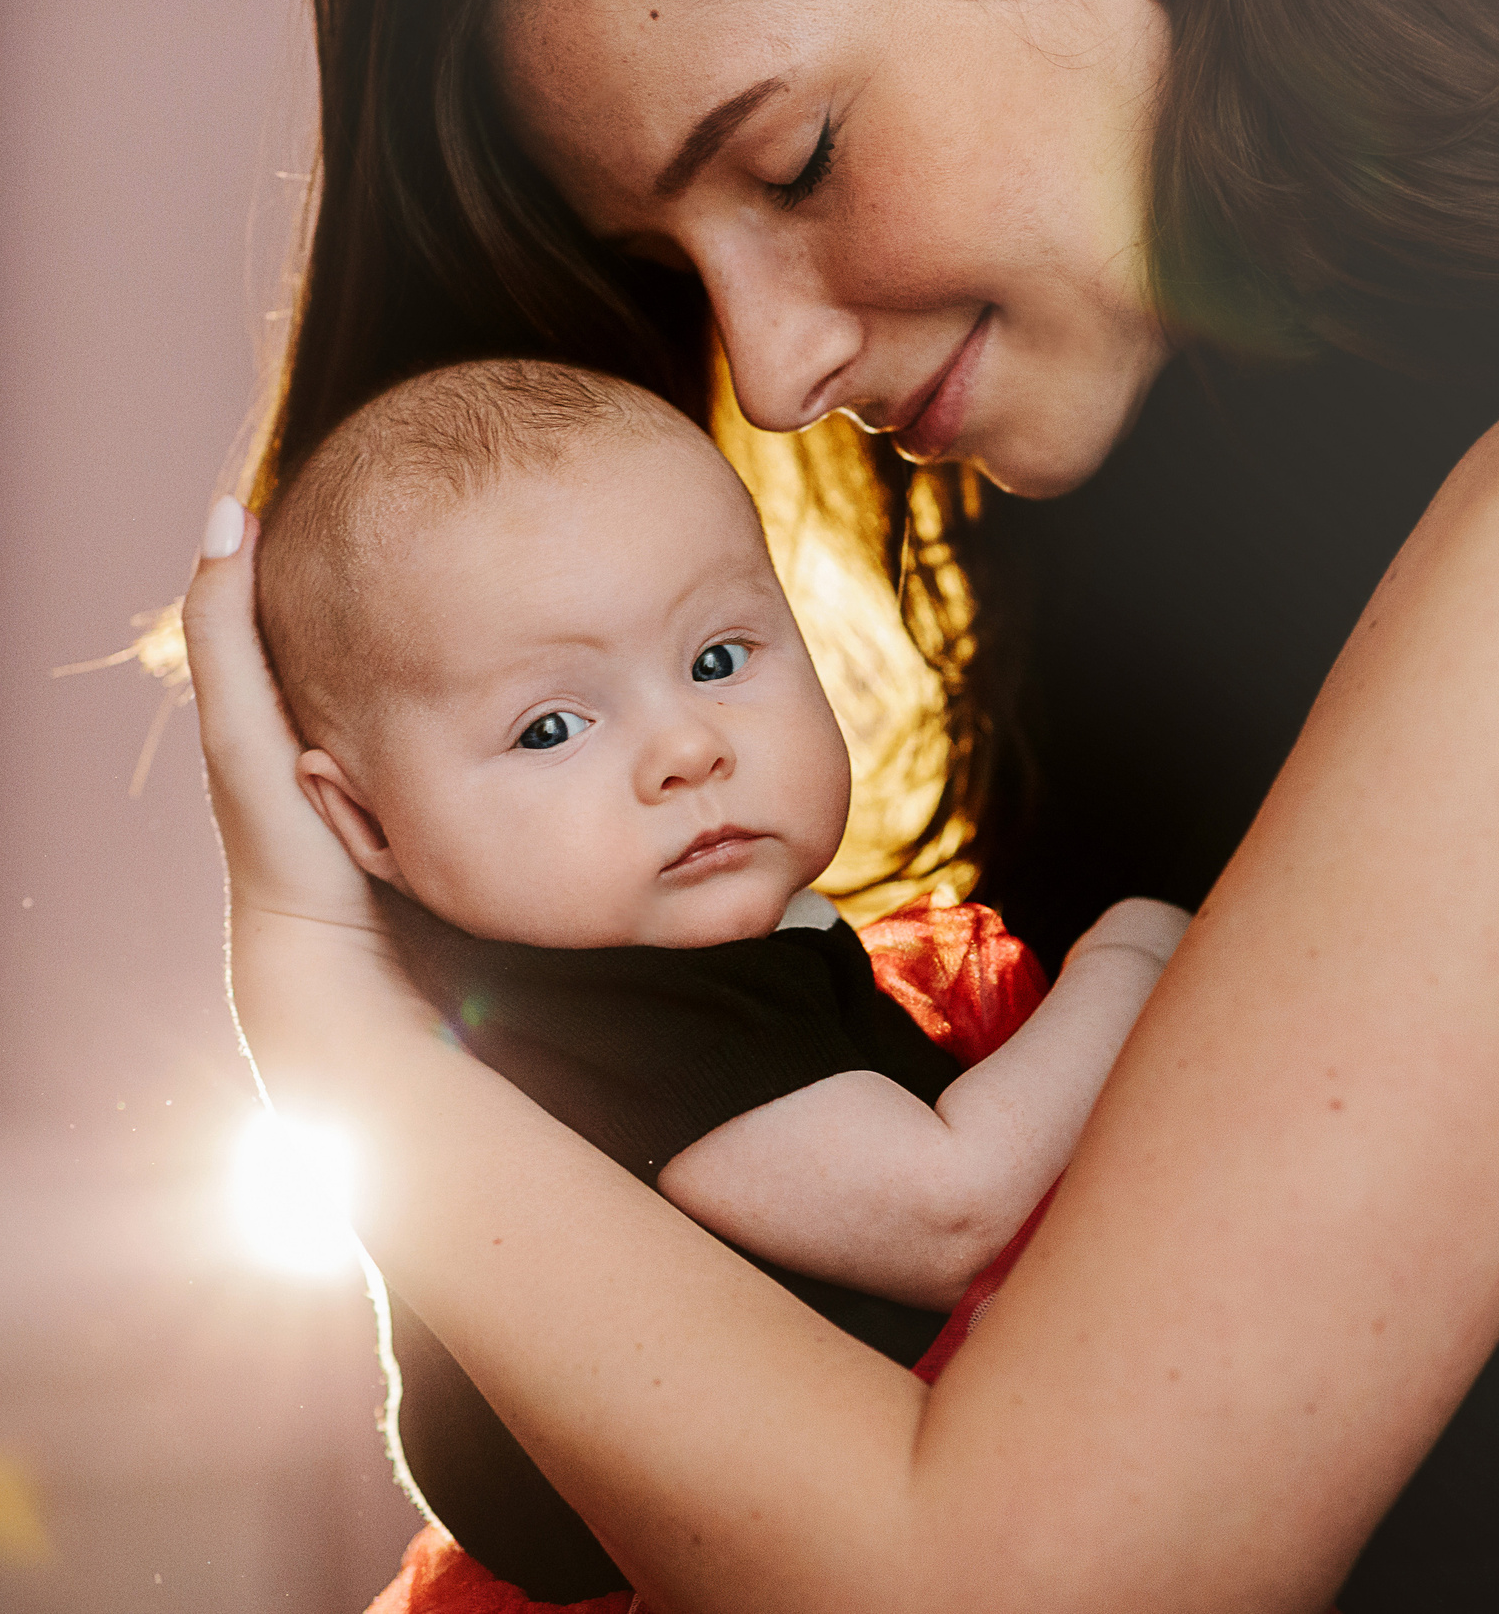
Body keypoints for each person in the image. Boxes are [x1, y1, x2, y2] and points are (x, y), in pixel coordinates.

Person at [183, 0, 1499, 1607]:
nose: (777, 368)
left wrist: (341, 1032)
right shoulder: (1124, 524)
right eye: (666, 264)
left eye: (796, 158)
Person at [256, 356, 1179, 1600]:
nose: (688, 749)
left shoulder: (669, 954)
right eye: (550, 727)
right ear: (362, 823)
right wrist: (1134, 955)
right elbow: (948, 1211)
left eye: (718, 657)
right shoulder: (585, 1025)